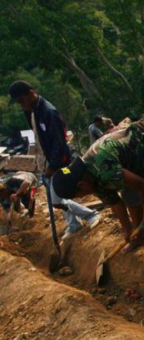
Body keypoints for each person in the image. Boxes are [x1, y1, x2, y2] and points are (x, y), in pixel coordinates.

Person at [51, 121, 144, 271]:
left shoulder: (103, 165)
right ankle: (139, 236)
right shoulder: (88, 178)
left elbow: (143, 186)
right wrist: (128, 230)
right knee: (130, 198)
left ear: (81, 186)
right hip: (135, 160)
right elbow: (116, 203)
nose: (82, 197)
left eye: (79, 196)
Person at [9, 80, 101, 240]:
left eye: (22, 100)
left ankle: (91, 214)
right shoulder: (32, 111)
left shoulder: (48, 112)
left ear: (31, 94)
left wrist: (54, 165)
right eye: (18, 103)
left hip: (60, 162)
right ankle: (74, 224)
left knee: (56, 199)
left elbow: (59, 142)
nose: (21, 105)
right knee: (57, 196)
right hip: (46, 160)